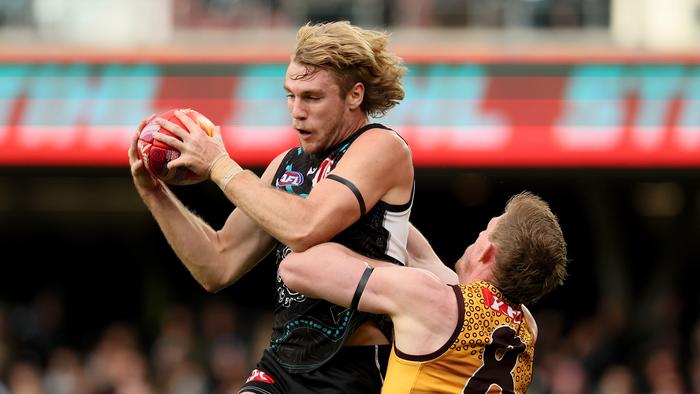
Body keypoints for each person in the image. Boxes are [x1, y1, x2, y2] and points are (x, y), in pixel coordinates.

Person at [128, 21, 432, 393]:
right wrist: (155, 193)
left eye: (312, 98)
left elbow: (306, 227)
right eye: (291, 95)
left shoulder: (382, 147)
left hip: (353, 370)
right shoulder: (285, 165)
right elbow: (217, 264)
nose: (296, 111)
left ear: (354, 95)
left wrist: (220, 166)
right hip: (282, 363)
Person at [280, 191, 569, 393]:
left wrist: (322, 216)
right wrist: (363, 196)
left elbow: (294, 269)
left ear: (487, 251)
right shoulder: (527, 326)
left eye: (485, 230)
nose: (478, 235)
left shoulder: (432, 300)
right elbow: (422, 258)